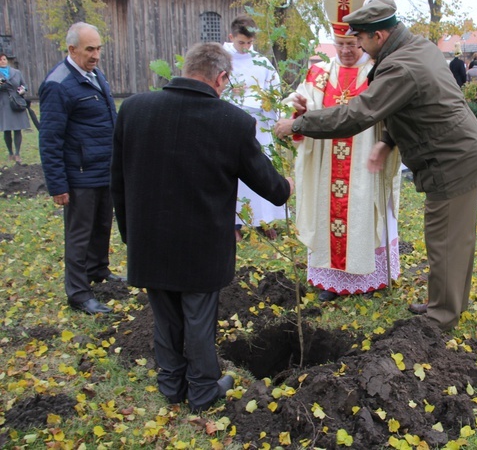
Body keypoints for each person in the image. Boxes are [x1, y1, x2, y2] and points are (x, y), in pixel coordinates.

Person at [275, 0, 477, 331]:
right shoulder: (417, 47)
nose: (358, 47)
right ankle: (446, 304)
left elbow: (358, 114)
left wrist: (298, 125)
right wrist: (387, 141)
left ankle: (441, 317)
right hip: (457, 154)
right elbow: (416, 105)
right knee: (454, 240)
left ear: (378, 36)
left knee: (446, 242)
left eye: (361, 39)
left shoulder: (400, 65)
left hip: (451, 162)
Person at [111, 42, 293, 412]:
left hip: (149, 240)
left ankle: (171, 384)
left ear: (186, 67)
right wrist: (288, 184)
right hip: (201, 245)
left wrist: (131, 234)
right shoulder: (233, 122)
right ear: (221, 77)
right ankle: (204, 389)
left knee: (164, 315)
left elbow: (118, 180)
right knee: (198, 317)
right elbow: (271, 189)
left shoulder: (133, 109)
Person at [292, 0, 401, 302]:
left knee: (364, 214)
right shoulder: (321, 73)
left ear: (363, 41)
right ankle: (329, 278)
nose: (346, 51)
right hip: (327, 167)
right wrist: (300, 109)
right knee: (329, 214)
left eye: (352, 44)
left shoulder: (377, 72)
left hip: (365, 164)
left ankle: (368, 277)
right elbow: (303, 103)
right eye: (339, 44)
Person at [39, 22, 126, 316]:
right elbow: (50, 138)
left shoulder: (94, 75)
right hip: (79, 174)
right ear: (71, 49)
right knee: (79, 234)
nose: (96, 55)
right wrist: (58, 185)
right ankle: (78, 292)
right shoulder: (58, 84)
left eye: (99, 48)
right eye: (90, 49)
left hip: (104, 169)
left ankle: (99, 272)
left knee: (102, 226)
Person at [223, 15, 285, 241]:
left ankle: (264, 219)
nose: (246, 47)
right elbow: (212, 88)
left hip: (259, 126)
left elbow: (274, 88)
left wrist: (269, 101)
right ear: (231, 37)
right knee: (234, 171)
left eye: (250, 43)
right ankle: (234, 222)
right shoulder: (221, 59)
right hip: (232, 123)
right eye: (241, 43)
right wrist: (230, 92)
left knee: (261, 168)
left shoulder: (261, 62)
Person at [0, 53, 29, 164]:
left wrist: (23, 90)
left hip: (17, 103)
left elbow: (24, 85)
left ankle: (17, 153)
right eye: (0, 60)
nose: (3, 61)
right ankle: (10, 153)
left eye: (4, 59)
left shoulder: (16, 72)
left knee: (18, 129)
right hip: (4, 104)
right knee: (7, 129)